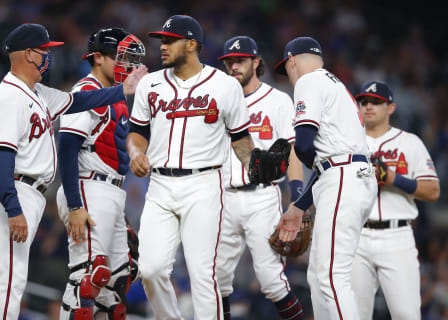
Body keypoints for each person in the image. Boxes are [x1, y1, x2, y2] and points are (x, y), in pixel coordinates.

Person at [0, 23, 147, 320]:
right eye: (44, 51)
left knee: (15, 277)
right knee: (10, 279)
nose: (48, 56)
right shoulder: (9, 98)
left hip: (29, 190)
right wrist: (12, 206)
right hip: (12, 188)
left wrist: (123, 90)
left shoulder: (37, 92)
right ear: (29, 54)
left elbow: (80, 101)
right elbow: (2, 156)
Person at [127, 15, 255, 319]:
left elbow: (240, 139)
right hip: (159, 185)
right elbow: (137, 132)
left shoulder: (224, 86)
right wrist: (135, 152)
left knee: (202, 273)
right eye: (162, 40)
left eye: (170, 40)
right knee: (150, 269)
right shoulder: (150, 83)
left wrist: (255, 165)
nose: (163, 46)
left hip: (205, 185)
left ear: (192, 44)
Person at [273, 37, 378, 320]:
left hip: (343, 177)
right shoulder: (338, 87)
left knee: (331, 278)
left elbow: (305, 146)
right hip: (350, 176)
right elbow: (327, 161)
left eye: (288, 69)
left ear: (292, 60)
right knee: (320, 277)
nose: (291, 77)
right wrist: (299, 206)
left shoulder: (309, 82)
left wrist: (303, 161)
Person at [56, 27, 146, 319]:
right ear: (97, 58)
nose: (126, 66)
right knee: (89, 277)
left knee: (117, 285)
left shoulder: (116, 97)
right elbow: (68, 147)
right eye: (119, 58)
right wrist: (74, 206)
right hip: (87, 187)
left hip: (111, 192)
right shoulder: (86, 91)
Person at [216, 35, 304, 320]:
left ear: (256, 62)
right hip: (223, 197)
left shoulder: (278, 100)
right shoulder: (217, 101)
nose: (233, 67)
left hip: (262, 197)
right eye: (229, 62)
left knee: (271, 280)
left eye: (240, 61)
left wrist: (298, 197)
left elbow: (291, 151)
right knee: (216, 281)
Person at [351, 80, 440, 320]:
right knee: (353, 315)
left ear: (391, 107)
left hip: (396, 236)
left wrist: (393, 178)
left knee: (406, 314)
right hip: (355, 236)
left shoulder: (409, 143)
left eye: (376, 102)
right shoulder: (347, 143)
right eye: (364, 102)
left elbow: (432, 191)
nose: (369, 106)